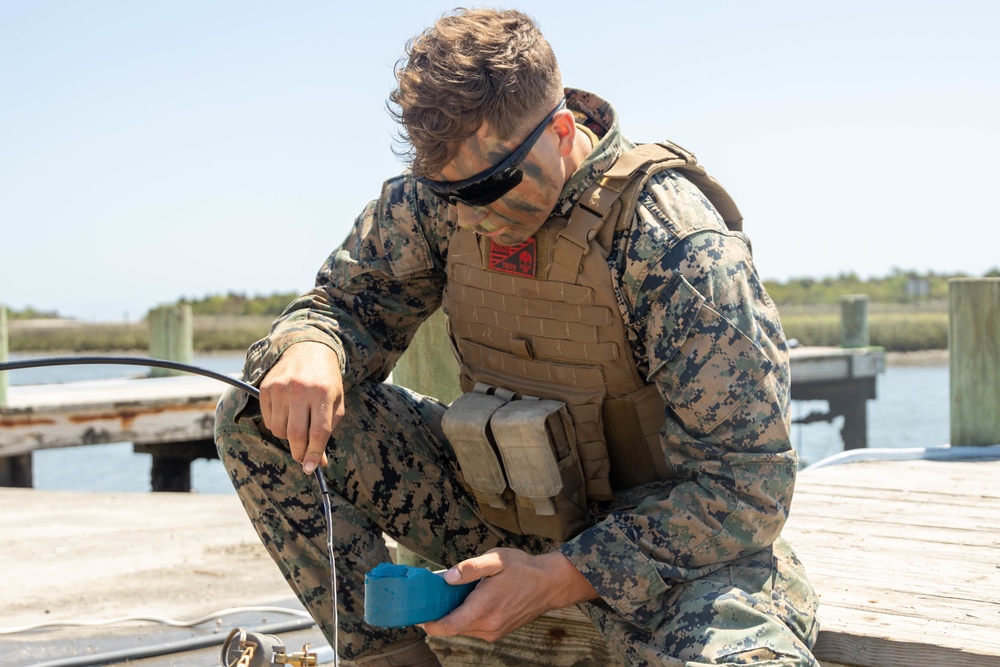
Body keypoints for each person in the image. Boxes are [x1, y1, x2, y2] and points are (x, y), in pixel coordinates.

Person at [215, 7, 819, 666]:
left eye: (488, 186)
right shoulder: (440, 201)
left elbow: (746, 490)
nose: (470, 213)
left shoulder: (674, 245)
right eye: (449, 192)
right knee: (258, 409)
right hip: (499, 510)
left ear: (562, 131)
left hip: (663, 553)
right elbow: (344, 305)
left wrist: (562, 575)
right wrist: (311, 344)